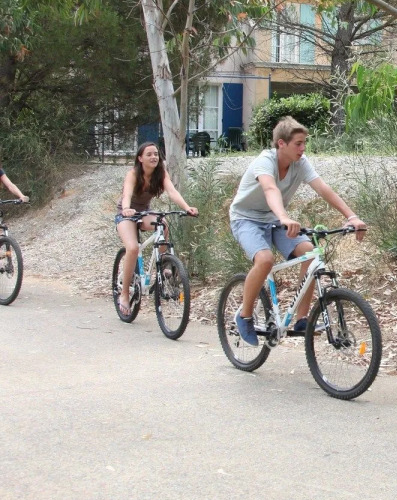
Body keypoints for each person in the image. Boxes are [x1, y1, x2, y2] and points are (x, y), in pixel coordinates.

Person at [229, 116, 366, 345]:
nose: (303, 148)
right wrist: (283, 217)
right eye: (298, 143)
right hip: (246, 219)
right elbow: (270, 188)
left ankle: (302, 319)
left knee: (310, 254)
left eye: (304, 143)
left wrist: (351, 216)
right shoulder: (265, 162)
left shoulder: (301, 163)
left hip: (275, 219)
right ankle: (244, 316)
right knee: (264, 260)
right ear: (281, 144)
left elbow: (323, 189)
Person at [115, 142, 198, 317]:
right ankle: (124, 295)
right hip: (126, 213)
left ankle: (161, 263)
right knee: (132, 248)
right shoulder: (133, 174)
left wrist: (187, 207)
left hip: (144, 212)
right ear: (140, 158)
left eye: (156, 154)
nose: (154, 157)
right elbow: (127, 195)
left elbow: (172, 192)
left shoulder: (160, 174)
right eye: (149, 154)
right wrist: (127, 209)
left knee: (163, 223)